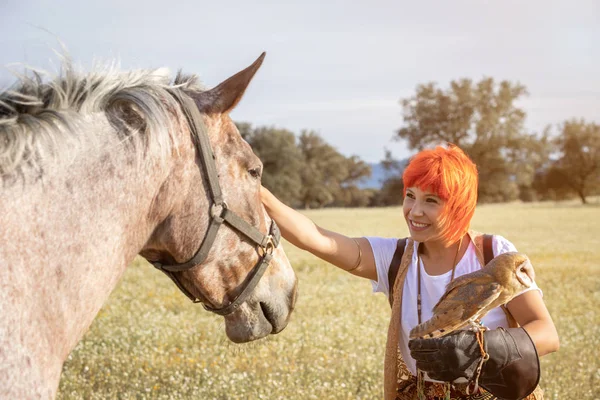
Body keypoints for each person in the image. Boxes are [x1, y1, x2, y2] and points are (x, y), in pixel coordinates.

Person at [261, 144, 559, 400]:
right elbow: (316, 238)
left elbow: (546, 334)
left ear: (459, 207)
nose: (414, 211)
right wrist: (256, 192)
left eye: (431, 201)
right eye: (410, 196)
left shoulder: (494, 254)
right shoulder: (396, 258)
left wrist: (481, 349)